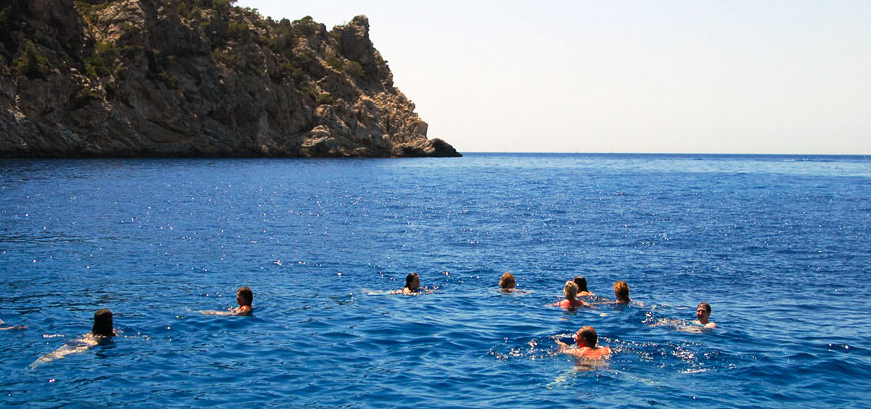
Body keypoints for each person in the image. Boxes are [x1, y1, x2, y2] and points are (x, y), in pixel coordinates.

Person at [31, 309, 116, 368]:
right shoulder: (110, 334)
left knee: (58, 352)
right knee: (63, 354)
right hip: (90, 344)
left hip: (80, 340)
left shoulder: (92, 332)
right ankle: (38, 363)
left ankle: (38, 362)